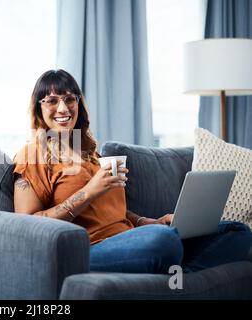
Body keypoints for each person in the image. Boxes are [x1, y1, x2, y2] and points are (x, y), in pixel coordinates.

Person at [13, 69, 252, 274]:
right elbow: (28, 224)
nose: (63, 107)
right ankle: (170, 268)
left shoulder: (91, 155)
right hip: (88, 249)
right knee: (164, 241)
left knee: (237, 231)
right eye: (52, 100)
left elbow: (109, 209)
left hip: (130, 239)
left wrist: (147, 221)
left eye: (69, 99)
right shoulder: (32, 155)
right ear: (38, 109)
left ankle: (177, 276)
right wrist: (89, 191)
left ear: (78, 103)